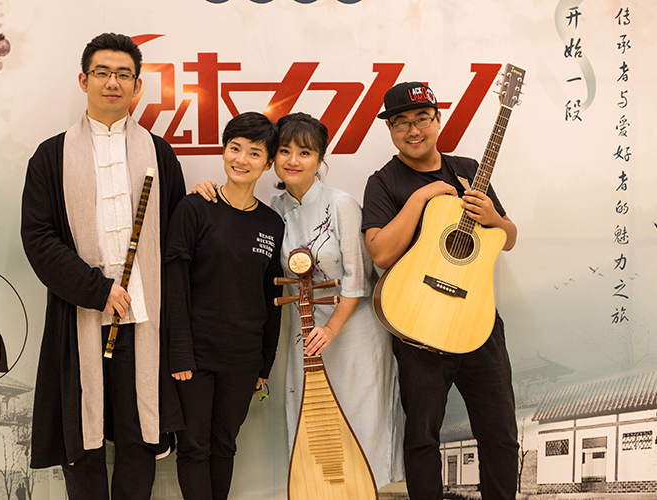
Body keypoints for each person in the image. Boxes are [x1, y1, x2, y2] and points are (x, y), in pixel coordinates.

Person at [193, 112, 403, 488]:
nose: (293, 160)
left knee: (357, 426)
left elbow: (358, 280)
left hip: (351, 333)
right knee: (313, 430)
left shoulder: (341, 204)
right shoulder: (273, 209)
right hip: (304, 334)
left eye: (305, 153)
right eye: (285, 151)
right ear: (273, 157)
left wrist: (331, 329)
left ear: (321, 159)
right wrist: (207, 190)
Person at [20, 33, 185, 500]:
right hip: (80, 318)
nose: (113, 82)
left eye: (123, 75)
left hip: (143, 321)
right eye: (103, 73)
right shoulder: (51, 155)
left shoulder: (160, 153)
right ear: (84, 80)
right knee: (83, 442)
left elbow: (177, 240)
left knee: (138, 440)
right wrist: (97, 289)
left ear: (137, 86)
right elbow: (38, 237)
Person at [361, 81, 519, 500]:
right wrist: (423, 197)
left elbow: (508, 239)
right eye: (401, 123)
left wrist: (494, 218)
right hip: (418, 326)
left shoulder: (469, 170)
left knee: (501, 434)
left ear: (437, 119)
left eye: (422, 119)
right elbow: (381, 254)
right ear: (390, 129)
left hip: (477, 322)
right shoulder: (383, 183)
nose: (413, 130)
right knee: (422, 438)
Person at [165, 111, 284, 500]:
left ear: (268, 163)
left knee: (225, 445)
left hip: (243, 358)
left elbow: (271, 298)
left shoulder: (271, 224)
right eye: (235, 148)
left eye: (254, 153)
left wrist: (264, 364)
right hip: (196, 355)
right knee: (194, 447)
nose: (241, 160)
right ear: (223, 151)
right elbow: (174, 284)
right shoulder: (195, 208)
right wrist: (179, 353)